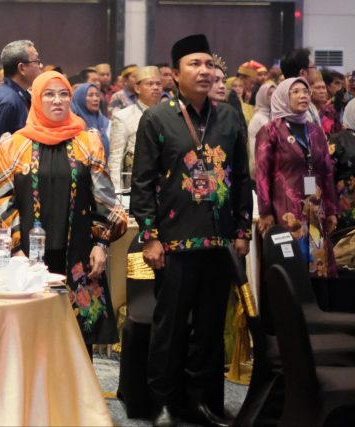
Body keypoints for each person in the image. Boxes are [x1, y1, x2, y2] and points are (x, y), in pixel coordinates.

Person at [130, 34, 251, 427]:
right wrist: (150, 236)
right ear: (174, 74)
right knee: (170, 327)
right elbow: (143, 182)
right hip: (174, 241)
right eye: (194, 64)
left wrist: (243, 230)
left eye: (209, 64)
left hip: (219, 239)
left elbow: (241, 176)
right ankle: (163, 402)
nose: (204, 71)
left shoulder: (229, 117)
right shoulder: (157, 117)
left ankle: (203, 401)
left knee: (210, 328)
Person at [0, 70, 124, 348]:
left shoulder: (88, 142)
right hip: (26, 257)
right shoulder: (14, 145)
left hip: (79, 254)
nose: (57, 100)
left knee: (77, 341)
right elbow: (0, 201)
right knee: (30, 339)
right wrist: (15, 250)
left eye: (63, 94)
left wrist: (101, 244)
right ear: (36, 99)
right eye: (49, 94)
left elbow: (103, 198)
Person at [255, 77, 338, 278]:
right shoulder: (271, 131)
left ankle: (317, 296)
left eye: (306, 91)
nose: (303, 96)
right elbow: (262, 174)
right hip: (285, 208)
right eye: (296, 92)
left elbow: (326, 172)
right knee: (291, 266)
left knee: (318, 265)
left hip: (315, 207)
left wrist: (331, 209)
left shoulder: (315, 131)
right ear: (284, 97)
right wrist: (265, 211)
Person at [0, 40, 42, 211]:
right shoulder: (8, 101)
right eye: (36, 61)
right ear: (22, 68)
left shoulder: (18, 96)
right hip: (3, 195)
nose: (40, 66)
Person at [108, 66, 162, 194]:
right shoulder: (123, 117)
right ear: (137, 88)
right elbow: (115, 158)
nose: (155, 87)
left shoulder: (168, 115)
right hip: (135, 185)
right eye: (150, 84)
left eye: (158, 84)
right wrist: (117, 192)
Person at [328, 94, 355, 236]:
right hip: (347, 212)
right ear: (351, 111)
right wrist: (331, 209)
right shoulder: (338, 139)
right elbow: (327, 176)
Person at [247, 81, 276, 178]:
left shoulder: (278, 116)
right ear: (263, 96)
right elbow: (253, 144)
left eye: (275, 93)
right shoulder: (257, 118)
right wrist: (258, 165)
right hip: (263, 166)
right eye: (270, 94)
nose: (274, 96)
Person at [71, 82, 110, 156]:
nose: (95, 99)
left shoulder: (106, 123)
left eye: (97, 95)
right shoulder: (72, 124)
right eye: (90, 95)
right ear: (80, 98)